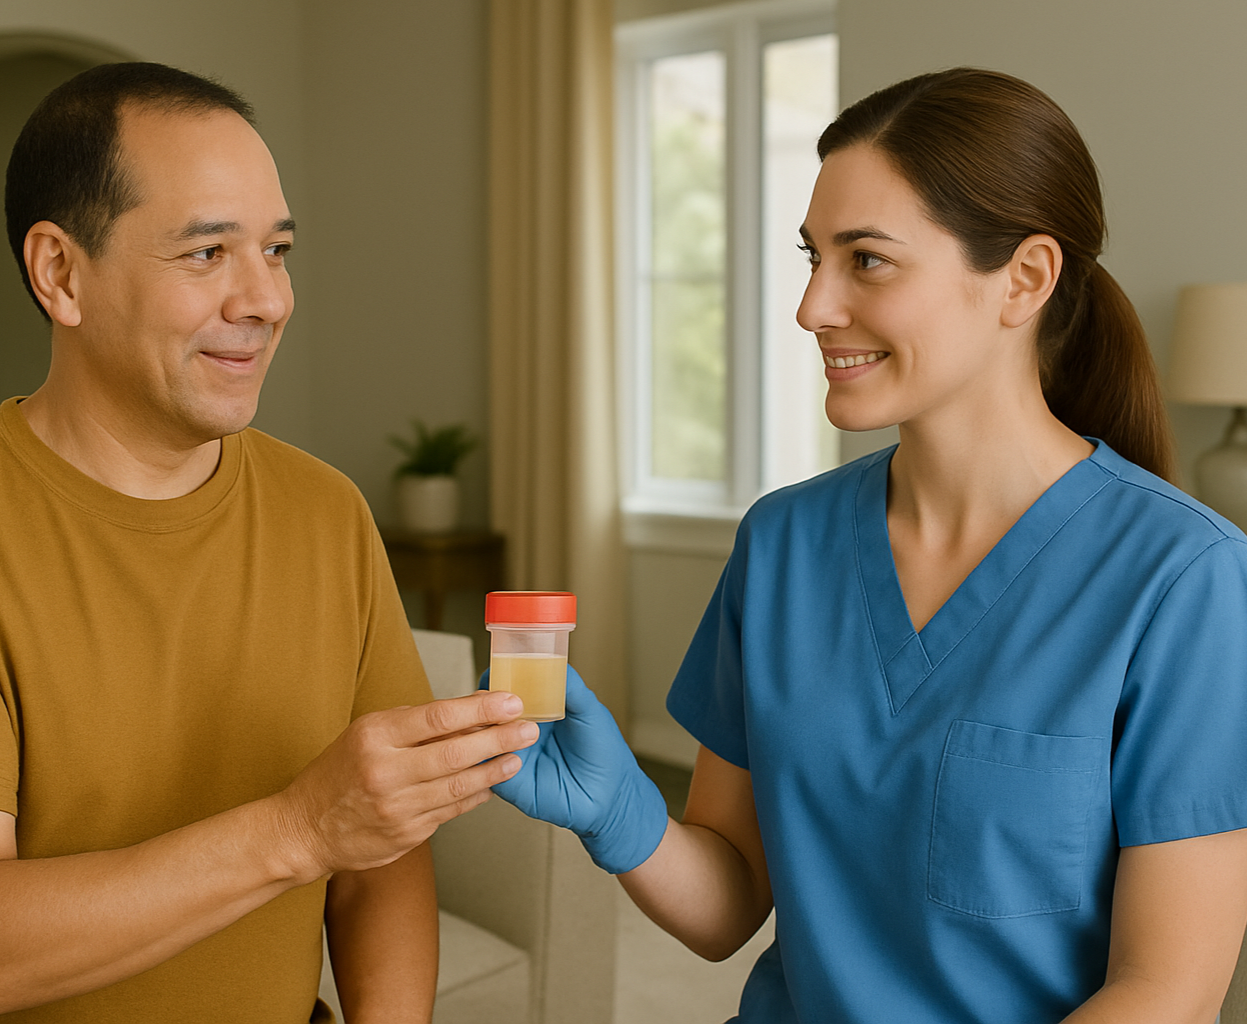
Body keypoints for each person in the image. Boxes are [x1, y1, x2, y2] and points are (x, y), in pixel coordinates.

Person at [490, 68, 1247, 1022]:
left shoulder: (1182, 579)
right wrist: (621, 813)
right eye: (810, 257)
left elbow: (1165, 993)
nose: (812, 307)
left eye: (867, 261)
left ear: (1024, 278)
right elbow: (728, 907)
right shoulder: (782, 544)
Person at [0, 63, 533, 1024]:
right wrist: (300, 828)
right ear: (60, 273)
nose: (266, 300)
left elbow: (382, 854)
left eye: (276, 250)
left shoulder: (327, 512)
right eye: (206, 254)